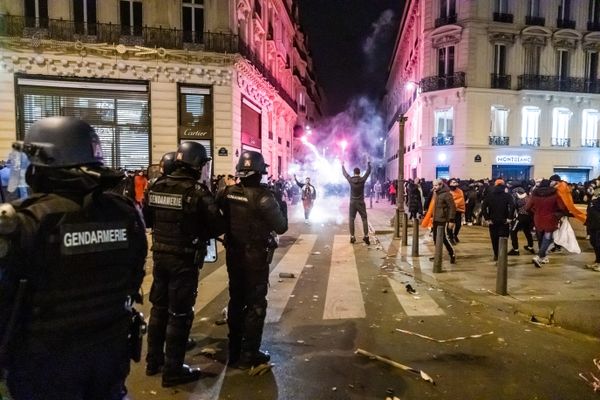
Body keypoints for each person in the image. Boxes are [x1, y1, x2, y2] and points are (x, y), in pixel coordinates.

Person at [0, 116, 147, 400]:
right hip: (109, 355)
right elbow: (134, 276)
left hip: (43, 364)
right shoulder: (126, 213)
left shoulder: (22, 221)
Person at [145, 141, 225, 387]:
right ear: (195, 165)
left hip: (160, 255)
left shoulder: (156, 186)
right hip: (184, 258)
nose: (203, 169)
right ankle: (173, 370)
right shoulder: (197, 192)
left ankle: (153, 361)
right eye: (202, 164)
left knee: (158, 309)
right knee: (180, 313)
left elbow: (147, 219)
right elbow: (217, 226)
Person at [217, 151, 288, 369]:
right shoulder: (264, 197)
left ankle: (235, 350)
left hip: (233, 255)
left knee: (236, 301)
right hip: (255, 257)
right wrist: (281, 205)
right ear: (260, 173)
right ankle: (249, 354)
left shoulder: (226, 193)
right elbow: (281, 226)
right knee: (256, 304)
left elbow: (215, 216)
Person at [525, 179, 567, 268]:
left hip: (538, 219)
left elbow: (527, 207)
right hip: (550, 219)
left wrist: (535, 211)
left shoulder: (534, 195)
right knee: (547, 239)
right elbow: (562, 208)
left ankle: (543, 257)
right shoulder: (555, 195)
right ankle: (539, 256)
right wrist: (557, 215)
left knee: (541, 238)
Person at [481, 179, 515, 261]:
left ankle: (496, 254)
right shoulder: (507, 196)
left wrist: (487, 218)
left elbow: (483, 207)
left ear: (495, 185)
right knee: (503, 238)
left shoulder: (489, 195)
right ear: (504, 185)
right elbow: (512, 206)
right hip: (504, 220)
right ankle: (502, 255)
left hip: (492, 220)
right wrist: (510, 218)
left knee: (494, 239)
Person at [342, 160, 372, 244]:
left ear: (354, 172)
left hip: (352, 202)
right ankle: (366, 237)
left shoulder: (351, 180)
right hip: (361, 202)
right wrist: (368, 164)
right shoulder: (362, 179)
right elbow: (368, 172)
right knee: (364, 219)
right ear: (359, 173)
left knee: (351, 219)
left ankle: (352, 237)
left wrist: (342, 165)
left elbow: (345, 174)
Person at [428, 179, 457, 264]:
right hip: (436, 219)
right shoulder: (436, 194)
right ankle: (437, 254)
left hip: (443, 219)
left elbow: (452, 207)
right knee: (435, 238)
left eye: (436, 185)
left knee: (444, 238)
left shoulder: (447, 194)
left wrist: (451, 220)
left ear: (441, 185)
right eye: (433, 185)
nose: (434, 187)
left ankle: (452, 253)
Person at [508, 187, 535, 255]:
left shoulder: (519, 200)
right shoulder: (529, 197)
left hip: (521, 217)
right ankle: (530, 247)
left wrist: (510, 218)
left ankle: (515, 250)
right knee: (527, 232)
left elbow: (513, 207)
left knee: (513, 231)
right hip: (529, 218)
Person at [447, 179, 465, 243]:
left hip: (458, 210)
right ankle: (450, 237)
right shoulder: (448, 191)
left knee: (458, 225)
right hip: (450, 210)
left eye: (456, 182)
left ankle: (455, 235)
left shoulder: (460, 191)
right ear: (450, 184)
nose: (455, 183)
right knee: (450, 224)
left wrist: (463, 210)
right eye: (453, 182)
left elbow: (462, 201)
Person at [585, 194, 600, 271]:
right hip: (593, 225)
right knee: (593, 243)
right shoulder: (594, 201)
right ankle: (597, 261)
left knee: (598, 244)